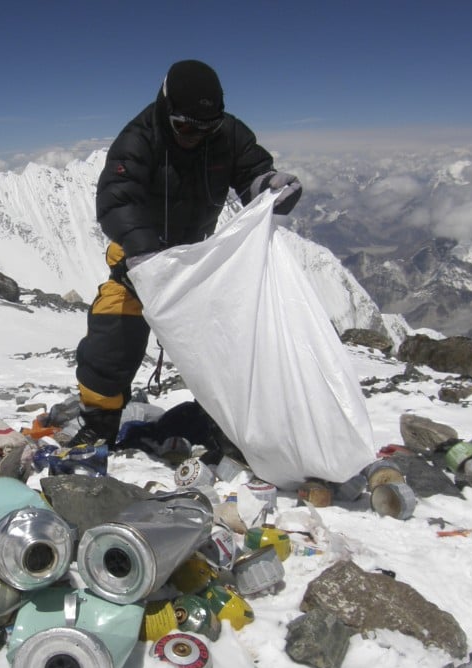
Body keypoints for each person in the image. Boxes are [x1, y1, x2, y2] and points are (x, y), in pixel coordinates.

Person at [69, 59, 303, 447]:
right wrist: (144, 255)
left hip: (197, 263)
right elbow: (116, 200)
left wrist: (269, 186)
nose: (194, 135)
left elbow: (252, 173)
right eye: (185, 126)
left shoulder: (228, 135)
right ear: (166, 108)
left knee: (229, 342)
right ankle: (99, 423)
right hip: (137, 263)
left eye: (205, 127)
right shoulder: (139, 139)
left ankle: (228, 424)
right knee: (112, 339)